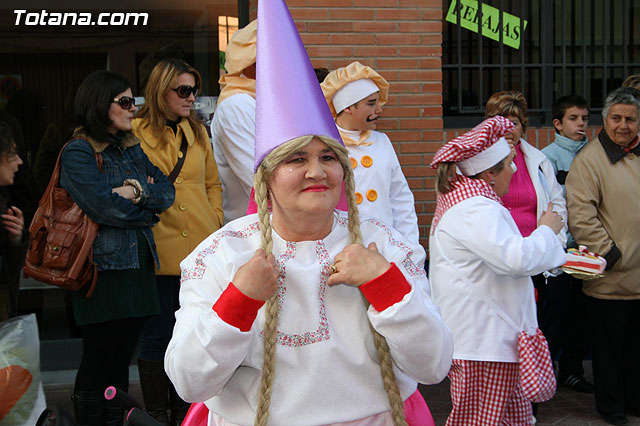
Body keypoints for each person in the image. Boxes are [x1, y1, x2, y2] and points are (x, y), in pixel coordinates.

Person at [165, 1, 453, 425]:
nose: (317, 172)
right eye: (296, 159)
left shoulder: (383, 247)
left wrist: (384, 283)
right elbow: (190, 382)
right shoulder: (223, 255)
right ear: (266, 178)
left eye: (328, 158)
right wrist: (240, 299)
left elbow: (433, 365)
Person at [429, 115, 566, 426]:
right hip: (485, 345)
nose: (515, 170)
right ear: (490, 174)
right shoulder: (474, 209)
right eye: (509, 164)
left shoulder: (474, 205)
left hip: (493, 342)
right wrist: (547, 230)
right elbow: (516, 259)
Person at [59, 70, 175, 425]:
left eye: (132, 101)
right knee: (99, 359)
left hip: (138, 266)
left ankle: (114, 420)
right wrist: (146, 209)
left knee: (121, 362)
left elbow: (166, 192)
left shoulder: (130, 147)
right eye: (124, 102)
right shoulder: (78, 151)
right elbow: (102, 207)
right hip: (102, 271)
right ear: (100, 104)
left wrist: (133, 192)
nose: (132, 109)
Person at [132, 58, 223, 426]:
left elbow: (212, 182)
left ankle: (186, 412)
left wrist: (215, 218)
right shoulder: (135, 132)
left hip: (199, 246)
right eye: (183, 90)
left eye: (194, 90)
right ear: (160, 90)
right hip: (157, 245)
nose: (191, 98)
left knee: (193, 333)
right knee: (156, 335)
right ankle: (157, 414)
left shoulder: (197, 131)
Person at [566, 87, 640, 426]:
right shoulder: (590, 161)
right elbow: (581, 215)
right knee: (608, 350)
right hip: (612, 277)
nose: (623, 125)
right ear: (606, 120)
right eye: (616, 118)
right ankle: (611, 407)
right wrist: (611, 254)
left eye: (631, 119)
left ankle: (635, 400)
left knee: (636, 349)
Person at [321, 62, 419, 245]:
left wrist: (408, 244)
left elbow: (400, 197)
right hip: (340, 246)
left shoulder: (382, 142)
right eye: (371, 103)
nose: (379, 110)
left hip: (383, 244)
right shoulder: (324, 144)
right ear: (348, 107)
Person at [540, 95, 594, 393]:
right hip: (560, 248)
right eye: (573, 118)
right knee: (555, 314)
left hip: (589, 247)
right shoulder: (546, 158)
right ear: (558, 124)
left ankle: (572, 371)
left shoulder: (596, 154)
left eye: (584, 118)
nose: (581, 124)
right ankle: (545, 373)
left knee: (580, 314)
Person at [210, 20, 257, 223]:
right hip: (254, 231)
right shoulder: (237, 106)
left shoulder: (258, 102)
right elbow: (258, 181)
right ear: (251, 64)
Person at [0, 122, 27, 321]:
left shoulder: (4, 203)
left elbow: (7, 274)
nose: (19, 161)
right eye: (12, 153)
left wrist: (14, 240)